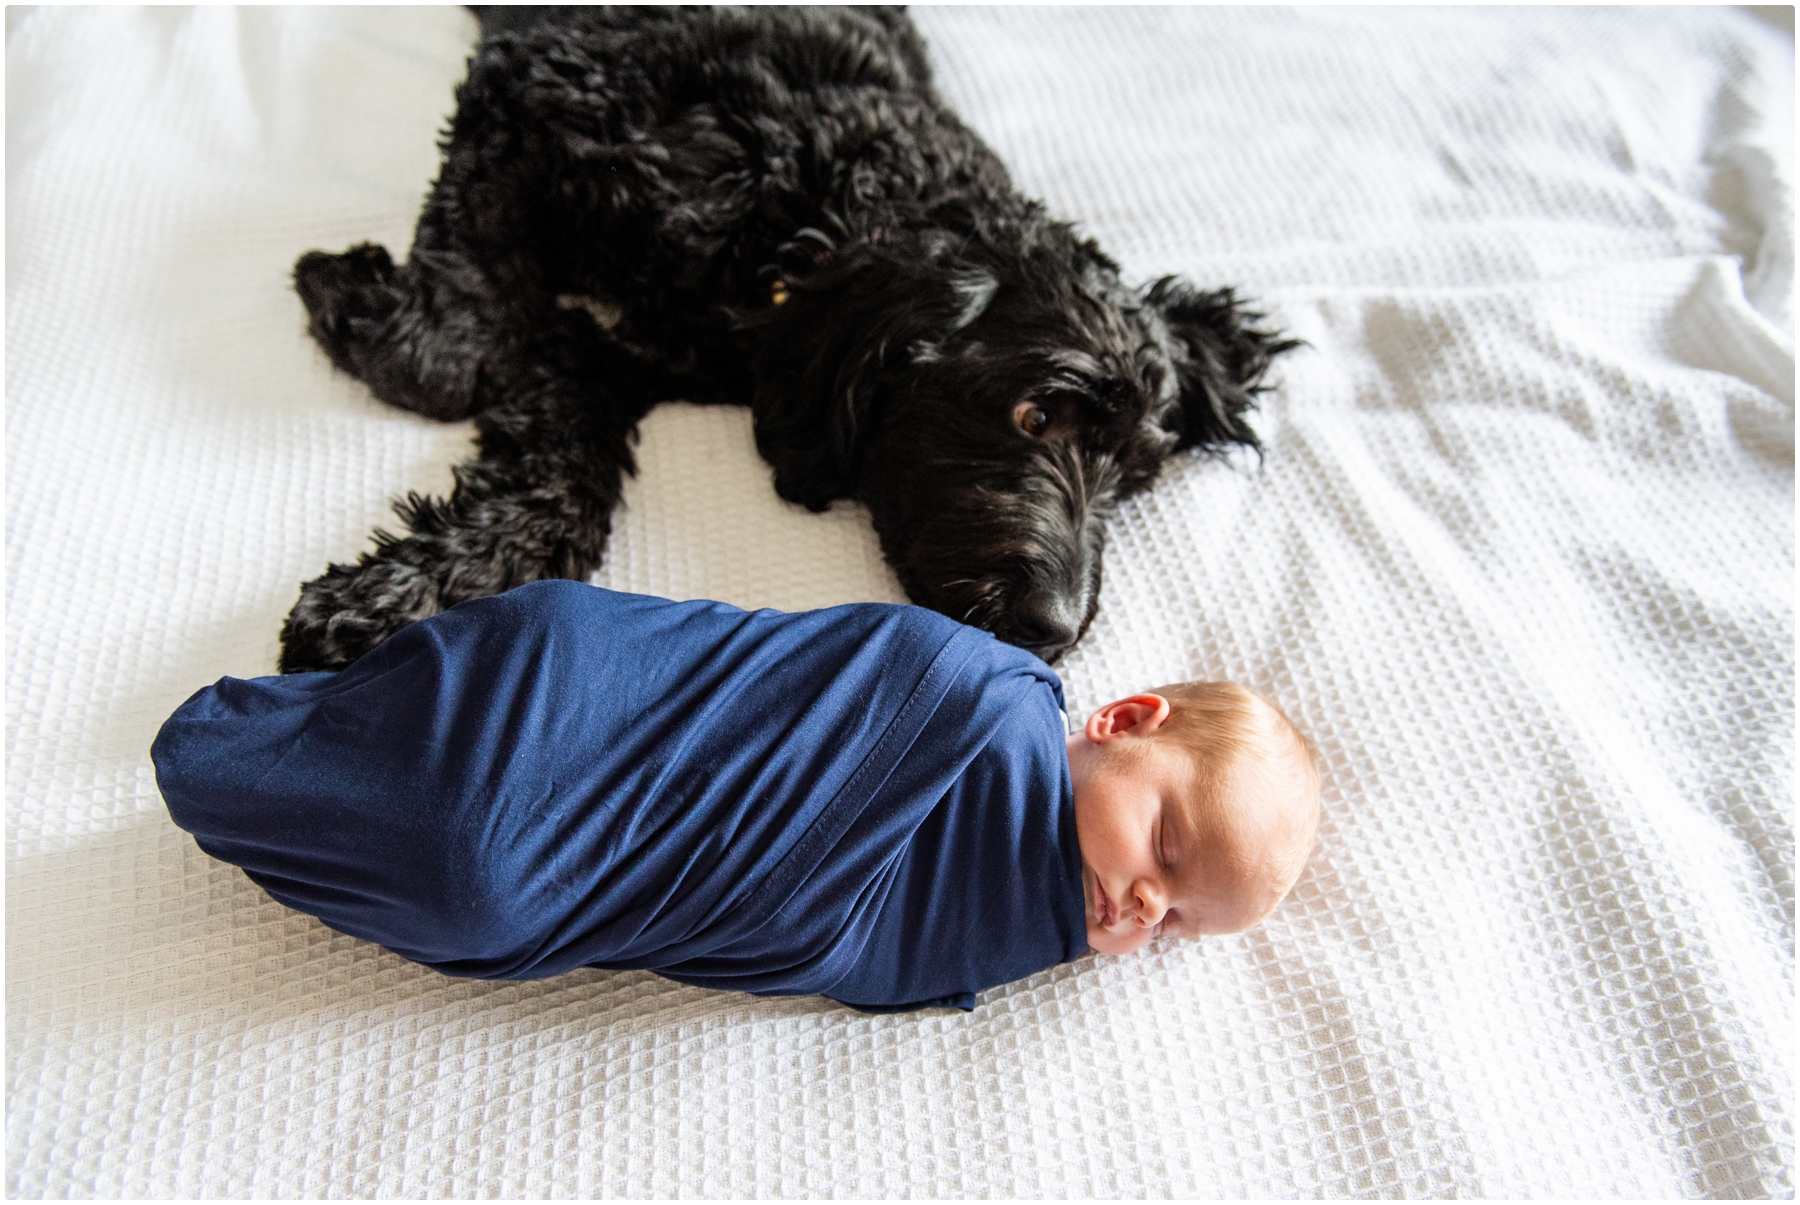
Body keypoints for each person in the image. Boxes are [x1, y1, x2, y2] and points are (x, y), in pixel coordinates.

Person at [153, 581, 1319, 1012]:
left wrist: (1059, 927)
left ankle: (299, 749)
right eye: (1163, 842)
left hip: (597, 869)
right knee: (480, 836)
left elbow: (862, 944)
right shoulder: (980, 692)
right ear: (1120, 724)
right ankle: (293, 726)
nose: (1141, 898)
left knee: (480, 884)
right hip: (591, 688)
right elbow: (860, 675)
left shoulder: (1017, 928)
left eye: (1175, 917)